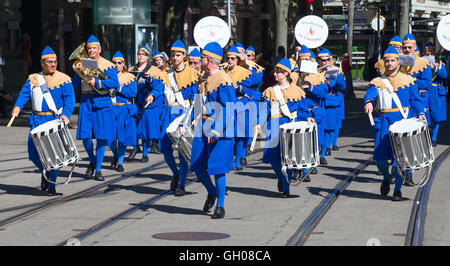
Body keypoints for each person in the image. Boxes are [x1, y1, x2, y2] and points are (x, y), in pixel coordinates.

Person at [363, 45, 426, 201]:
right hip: (384, 122)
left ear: (398, 61)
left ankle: (397, 190)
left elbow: (416, 100)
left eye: (392, 60)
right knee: (380, 159)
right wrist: (368, 102)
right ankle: (386, 177)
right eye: (387, 60)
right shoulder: (377, 81)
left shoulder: (408, 80)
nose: (389, 63)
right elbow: (369, 95)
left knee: (401, 160)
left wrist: (421, 113)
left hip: (403, 122)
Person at [11, 46, 75, 195]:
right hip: (36, 120)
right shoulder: (34, 79)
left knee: (55, 155)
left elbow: (70, 100)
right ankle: (45, 173)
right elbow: (23, 95)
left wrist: (66, 114)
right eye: (50, 62)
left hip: (54, 120)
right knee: (33, 153)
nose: (53, 64)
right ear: (42, 63)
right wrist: (17, 107)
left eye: (55, 62)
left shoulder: (64, 79)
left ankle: (52, 184)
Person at [187, 41, 237, 219]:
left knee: (217, 168)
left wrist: (217, 130)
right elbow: (198, 103)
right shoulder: (203, 78)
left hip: (220, 129)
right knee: (198, 167)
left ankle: (221, 205)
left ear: (208, 60)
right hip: (203, 125)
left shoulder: (223, 79)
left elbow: (229, 107)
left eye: (201, 58)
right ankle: (212, 192)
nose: (198, 61)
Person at [254, 58, 314, 197]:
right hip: (275, 126)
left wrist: (308, 117)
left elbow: (303, 109)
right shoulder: (269, 91)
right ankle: (280, 177)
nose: (275, 74)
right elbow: (264, 111)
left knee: (289, 159)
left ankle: (286, 188)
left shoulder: (297, 91)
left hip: (291, 126)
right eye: (275, 71)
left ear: (286, 74)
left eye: (278, 72)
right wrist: (259, 123)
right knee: (274, 160)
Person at [73, 35, 120, 181]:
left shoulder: (108, 65)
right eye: (89, 48)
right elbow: (73, 85)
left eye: (94, 48)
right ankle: (92, 161)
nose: (91, 50)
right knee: (85, 136)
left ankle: (98, 169)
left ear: (100, 49)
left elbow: (115, 83)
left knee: (101, 137)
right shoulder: (83, 63)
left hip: (102, 100)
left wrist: (98, 83)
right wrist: (78, 72)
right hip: (86, 100)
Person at [159, 40, 199, 196]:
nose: (175, 57)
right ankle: (175, 173)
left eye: (178, 55)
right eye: (173, 55)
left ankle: (181, 184)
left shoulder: (193, 74)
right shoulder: (165, 74)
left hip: (184, 114)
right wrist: (151, 95)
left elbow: (197, 97)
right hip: (168, 113)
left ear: (184, 56)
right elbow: (157, 90)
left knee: (182, 150)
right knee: (165, 148)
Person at [400, 33, 432, 186]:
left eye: (409, 47)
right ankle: (397, 169)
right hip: (398, 106)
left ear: (414, 48)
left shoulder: (422, 63)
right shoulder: (396, 61)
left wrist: (411, 80)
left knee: (410, 141)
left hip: (414, 105)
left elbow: (427, 84)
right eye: (404, 47)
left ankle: (409, 173)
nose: (406, 50)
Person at [224, 45, 258, 170]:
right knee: (229, 135)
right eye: (228, 58)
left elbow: (252, 88)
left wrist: (239, 88)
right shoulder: (224, 71)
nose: (230, 61)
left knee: (240, 135)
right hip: (227, 104)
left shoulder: (244, 72)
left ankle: (238, 160)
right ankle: (230, 160)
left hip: (242, 103)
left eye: (233, 58)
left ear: (237, 59)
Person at [129, 47, 163, 160]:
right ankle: (135, 147)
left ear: (147, 57)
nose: (141, 56)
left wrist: (150, 79)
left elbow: (158, 86)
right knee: (134, 126)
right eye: (139, 54)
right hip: (135, 100)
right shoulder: (132, 68)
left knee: (145, 128)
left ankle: (145, 153)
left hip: (147, 101)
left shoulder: (154, 70)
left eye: (143, 54)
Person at [109, 51, 138, 172]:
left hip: (123, 109)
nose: (116, 65)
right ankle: (115, 155)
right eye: (114, 63)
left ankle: (120, 162)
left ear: (124, 64)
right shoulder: (107, 76)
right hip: (110, 108)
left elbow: (133, 93)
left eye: (119, 63)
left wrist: (119, 88)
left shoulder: (130, 77)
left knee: (122, 137)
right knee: (109, 138)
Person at [426, 43, 447, 146]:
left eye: (431, 50)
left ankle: (433, 137)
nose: (429, 52)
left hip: (436, 91)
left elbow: (444, 75)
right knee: (425, 115)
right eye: (427, 50)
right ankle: (427, 133)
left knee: (436, 116)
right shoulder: (422, 62)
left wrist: (434, 68)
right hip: (425, 90)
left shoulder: (440, 63)